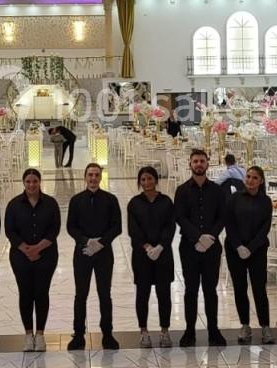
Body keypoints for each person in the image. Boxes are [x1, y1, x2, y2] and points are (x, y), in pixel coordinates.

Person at [66, 162, 122, 351]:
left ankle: (107, 334)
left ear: (100, 177)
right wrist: (85, 241)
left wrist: (101, 243)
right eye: (90, 175)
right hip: (82, 253)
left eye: (96, 175)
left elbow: (117, 227)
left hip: (104, 253)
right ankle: (78, 334)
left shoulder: (110, 200)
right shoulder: (76, 200)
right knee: (80, 295)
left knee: (104, 294)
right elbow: (70, 227)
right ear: (85, 177)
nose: (93, 178)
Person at [174, 148, 227, 347]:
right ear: (190, 164)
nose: (198, 164)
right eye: (195, 161)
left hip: (212, 247)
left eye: (202, 161)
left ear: (207, 163)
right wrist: (197, 237)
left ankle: (213, 330)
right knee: (190, 290)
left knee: (210, 290)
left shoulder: (217, 190)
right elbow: (180, 216)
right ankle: (190, 331)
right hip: (189, 246)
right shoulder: (182, 190)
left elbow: (222, 216)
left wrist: (210, 237)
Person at [5, 168, 60, 351]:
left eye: (34, 181)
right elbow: (10, 231)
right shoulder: (14, 205)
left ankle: (41, 334)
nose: (31, 185)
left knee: (41, 293)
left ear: (39, 182)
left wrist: (38, 248)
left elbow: (54, 229)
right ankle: (28, 334)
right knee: (25, 293)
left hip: (46, 255)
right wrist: (25, 249)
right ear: (24, 183)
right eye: (28, 182)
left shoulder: (50, 204)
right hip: (20, 256)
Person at [127, 165, 176, 348]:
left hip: (163, 254)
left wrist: (161, 246)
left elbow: (170, 226)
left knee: (164, 293)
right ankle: (144, 331)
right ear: (140, 182)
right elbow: (133, 229)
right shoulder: (134, 203)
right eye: (143, 179)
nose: (147, 182)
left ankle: (164, 330)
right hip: (142, 255)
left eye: (150, 178)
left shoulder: (166, 202)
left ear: (156, 180)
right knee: (143, 293)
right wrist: (147, 246)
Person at [225, 164, 273, 345]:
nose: (250, 180)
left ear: (260, 181)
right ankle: (245, 324)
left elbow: (265, 227)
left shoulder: (265, 201)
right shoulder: (235, 198)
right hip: (234, 249)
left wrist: (251, 248)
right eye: (248, 177)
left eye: (254, 178)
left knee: (259, 288)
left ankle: (265, 325)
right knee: (240, 288)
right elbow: (229, 223)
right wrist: (238, 246)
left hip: (257, 250)